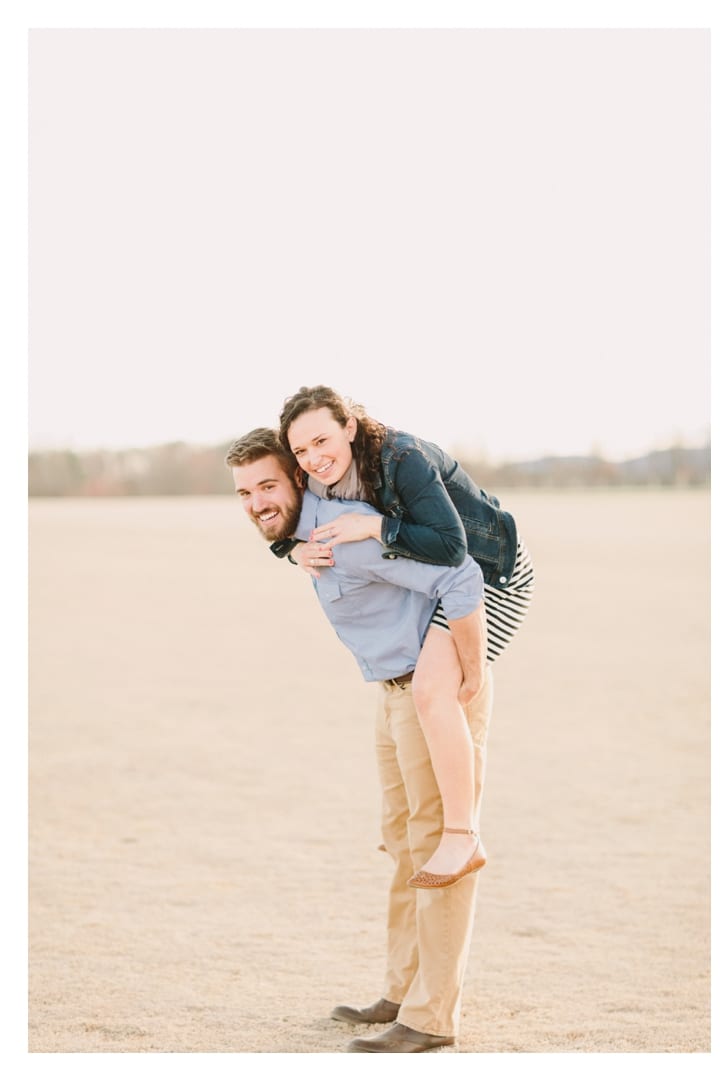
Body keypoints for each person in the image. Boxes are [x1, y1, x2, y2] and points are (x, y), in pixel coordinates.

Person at [228, 428, 492, 1052]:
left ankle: (431, 1019)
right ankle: (403, 990)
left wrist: (472, 672)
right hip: (391, 689)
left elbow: (460, 575)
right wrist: (291, 551)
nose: (256, 502)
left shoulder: (341, 530)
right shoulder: (303, 536)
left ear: (300, 480)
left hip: (432, 689)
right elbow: (280, 535)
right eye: (244, 492)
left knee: (436, 842)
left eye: (268, 485)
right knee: (402, 841)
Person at [276, 386, 533, 889]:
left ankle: (463, 835)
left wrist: (374, 529)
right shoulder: (317, 475)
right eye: (300, 451)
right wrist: (292, 552)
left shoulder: (402, 458)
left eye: (321, 441)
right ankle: (405, 828)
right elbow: (279, 514)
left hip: (489, 576)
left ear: (350, 427)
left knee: (432, 690)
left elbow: (451, 545)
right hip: (443, 579)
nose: (312, 458)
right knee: (407, 691)